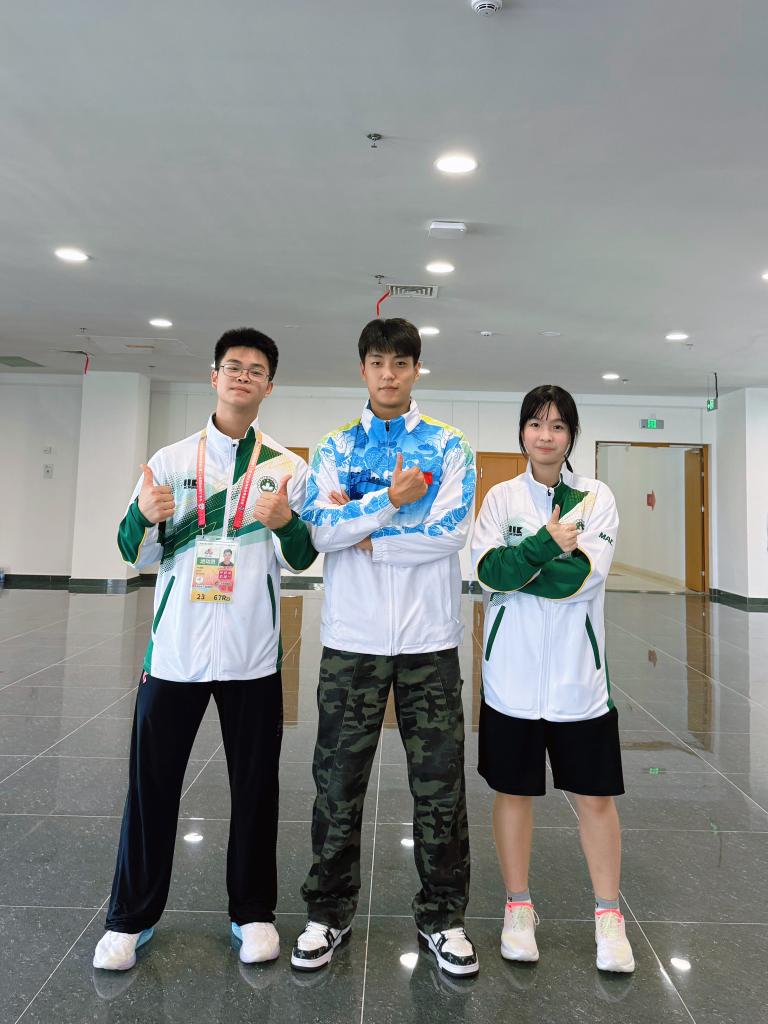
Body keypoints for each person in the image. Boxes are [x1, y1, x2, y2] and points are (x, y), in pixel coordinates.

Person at [93, 327, 317, 972]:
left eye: (256, 370)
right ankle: (129, 918)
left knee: (256, 788)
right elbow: (129, 550)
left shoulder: (287, 468)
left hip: (252, 653)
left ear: (270, 386)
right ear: (214, 377)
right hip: (175, 653)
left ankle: (253, 913)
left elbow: (303, 556)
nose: (243, 376)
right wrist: (145, 514)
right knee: (151, 788)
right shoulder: (167, 461)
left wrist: (287, 524)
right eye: (233, 366)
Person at [292, 317, 479, 978]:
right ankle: (327, 912)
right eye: (378, 362)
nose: (389, 374)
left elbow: (450, 531)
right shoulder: (335, 446)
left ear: (416, 369)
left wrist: (367, 532)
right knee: (336, 783)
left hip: (430, 642)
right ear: (363, 369)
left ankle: (444, 918)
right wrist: (388, 504)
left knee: (440, 787)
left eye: (401, 363)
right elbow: (320, 530)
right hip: (353, 641)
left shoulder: (448, 445)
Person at [471, 384, 635, 973]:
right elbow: (488, 571)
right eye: (536, 423)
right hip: (510, 678)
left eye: (558, 425)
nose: (546, 435)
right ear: (521, 432)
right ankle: (518, 907)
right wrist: (545, 546)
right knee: (513, 792)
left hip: (577, 679)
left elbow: (580, 579)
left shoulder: (595, 497)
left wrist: (523, 569)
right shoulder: (501, 498)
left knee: (595, 797)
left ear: (571, 436)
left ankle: (609, 916)